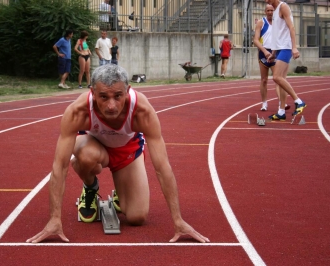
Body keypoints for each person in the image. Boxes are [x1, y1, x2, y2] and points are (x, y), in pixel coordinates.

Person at [26, 64, 210, 244]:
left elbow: (162, 167)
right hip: (93, 146)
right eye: (103, 97)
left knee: (137, 217)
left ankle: (121, 194)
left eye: (118, 96)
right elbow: (60, 165)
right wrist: (54, 219)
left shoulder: (142, 112)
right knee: (86, 155)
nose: (111, 105)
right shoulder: (78, 111)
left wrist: (178, 220)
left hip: (126, 149)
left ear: (128, 90)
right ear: (92, 92)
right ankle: (90, 188)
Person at [265, 0, 306, 120]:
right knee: (281, 80)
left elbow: (291, 27)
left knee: (276, 77)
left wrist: (294, 47)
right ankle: (281, 112)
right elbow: (277, 34)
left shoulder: (283, 7)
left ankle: (298, 101)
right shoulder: (276, 10)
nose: (265, 0)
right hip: (279, 49)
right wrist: (273, 53)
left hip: (286, 48)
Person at [253, 4, 290, 112]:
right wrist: (264, 51)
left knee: (278, 79)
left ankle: (281, 103)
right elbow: (255, 40)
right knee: (264, 80)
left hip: (276, 52)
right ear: (265, 12)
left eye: (272, 10)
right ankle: (264, 103)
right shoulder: (261, 22)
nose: (270, 12)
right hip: (263, 52)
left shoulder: (279, 23)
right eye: (268, 10)